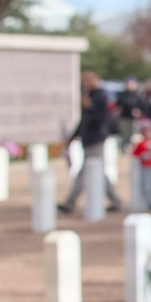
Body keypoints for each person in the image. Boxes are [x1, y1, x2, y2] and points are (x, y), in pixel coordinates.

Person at [58, 70, 124, 214]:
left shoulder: (100, 97)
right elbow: (83, 121)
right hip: (89, 140)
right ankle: (115, 200)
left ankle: (70, 202)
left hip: (96, 140)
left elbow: (101, 118)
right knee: (96, 170)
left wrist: (90, 107)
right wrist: (73, 136)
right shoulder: (89, 97)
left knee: (88, 171)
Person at [131, 120, 151, 210]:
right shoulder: (141, 143)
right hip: (144, 167)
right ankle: (149, 202)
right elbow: (135, 155)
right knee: (147, 185)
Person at [116, 76, 147, 145]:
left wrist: (139, 112)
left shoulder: (139, 95)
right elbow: (120, 104)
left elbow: (143, 106)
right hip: (125, 118)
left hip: (136, 120)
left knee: (135, 136)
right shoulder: (122, 95)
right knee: (125, 136)